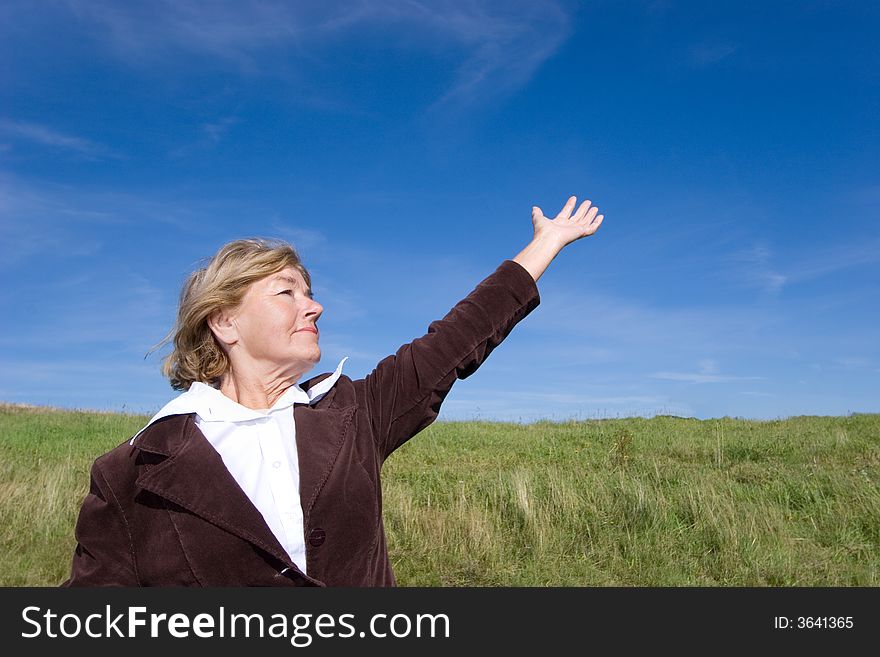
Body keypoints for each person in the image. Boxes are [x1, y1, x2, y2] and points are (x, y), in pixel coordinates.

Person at [63, 195, 605, 586]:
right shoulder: (132, 471)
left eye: (311, 292)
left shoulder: (353, 414)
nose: (314, 305)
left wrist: (544, 246)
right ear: (225, 323)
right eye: (287, 292)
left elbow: (456, 340)